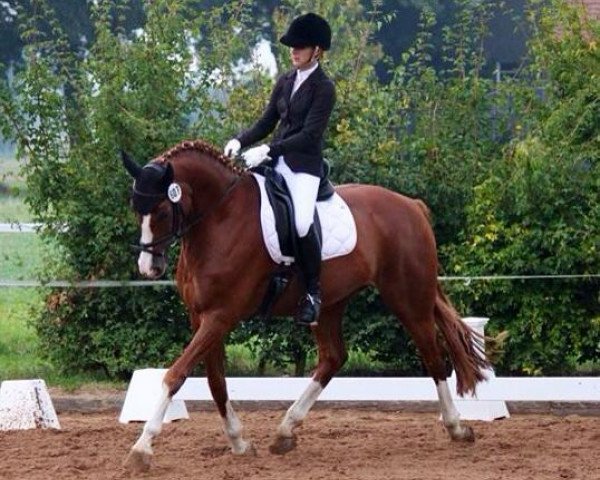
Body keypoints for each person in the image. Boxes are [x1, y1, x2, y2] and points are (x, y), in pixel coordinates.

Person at [224, 12, 336, 327]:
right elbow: (266, 122)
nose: (293, 51)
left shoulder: (324, 88)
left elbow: (309, 135)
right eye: (291, 46)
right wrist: (239, 140)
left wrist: (270, 149)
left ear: (317, 50)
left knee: (301, 222)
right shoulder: (285, 80)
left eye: (300, 47)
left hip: (304, 167)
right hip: (274, 162)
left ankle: (313, 292)